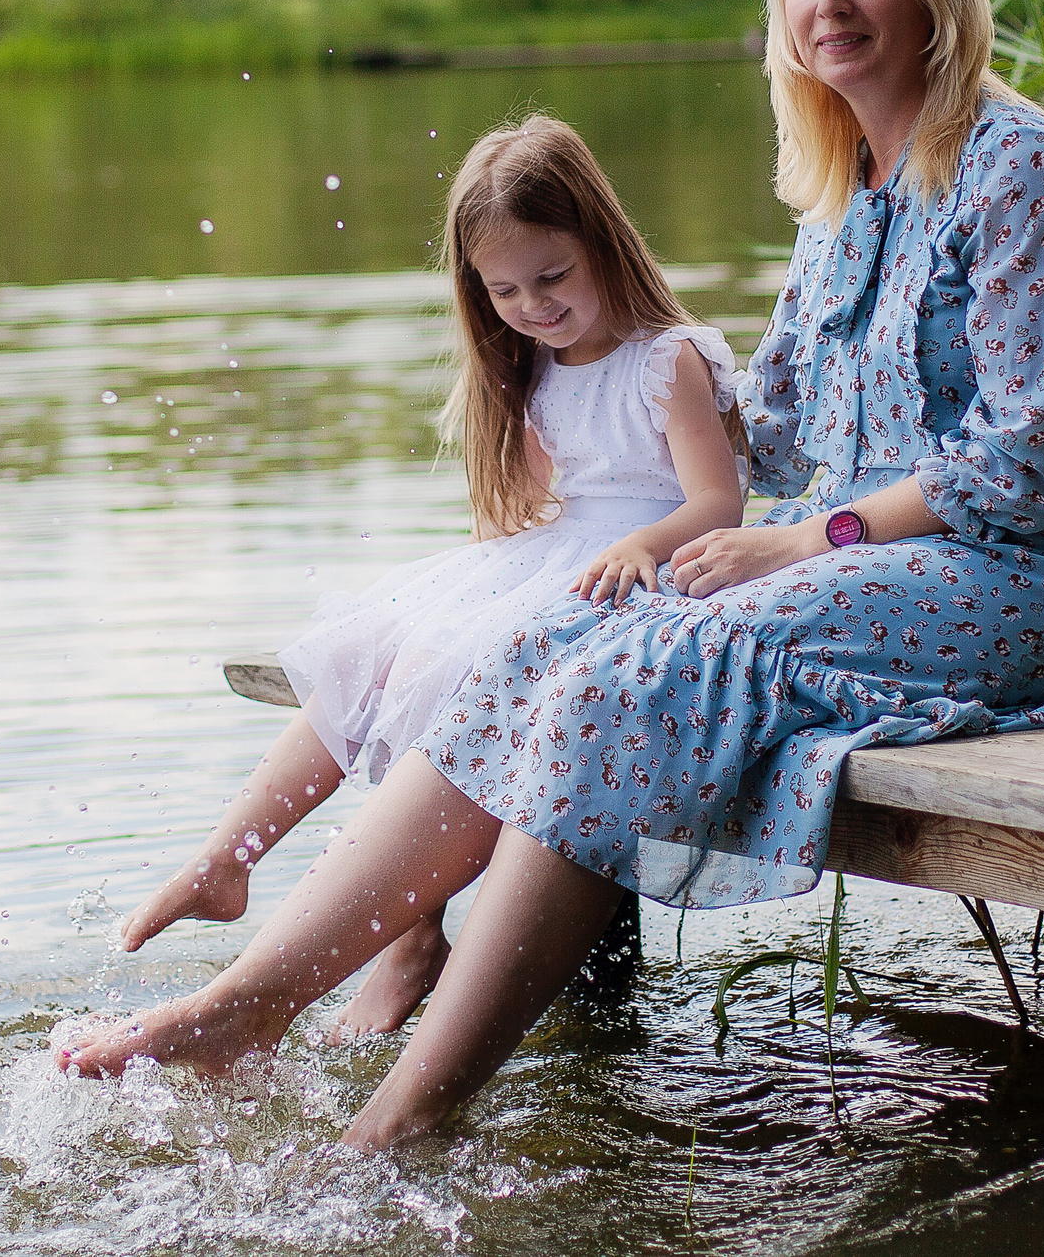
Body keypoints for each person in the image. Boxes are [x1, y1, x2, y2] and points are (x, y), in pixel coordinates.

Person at [57, 0, 1044, 1152]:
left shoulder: (1023, 173)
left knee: (639, 673)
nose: (831, 4)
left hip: (1017, 584)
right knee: (544, 639)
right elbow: (784, 421)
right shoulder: (840, 191)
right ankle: (250, 1001)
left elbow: (1028, 467)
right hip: (853, 568)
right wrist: (623, 376)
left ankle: (405, 1113)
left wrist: (806, 533)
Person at [97, 113, 744, 1040]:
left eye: (552, 277)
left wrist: (647, 545)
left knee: (467, 664)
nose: (534, 306)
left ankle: (410, 938)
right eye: (506, 290)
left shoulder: (665, 359)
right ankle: (229, 856)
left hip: (642, 576)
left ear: (601, 239)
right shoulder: (539, 368)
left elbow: (718, 502)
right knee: (377, 644)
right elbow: (523, 513)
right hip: (556, 561)